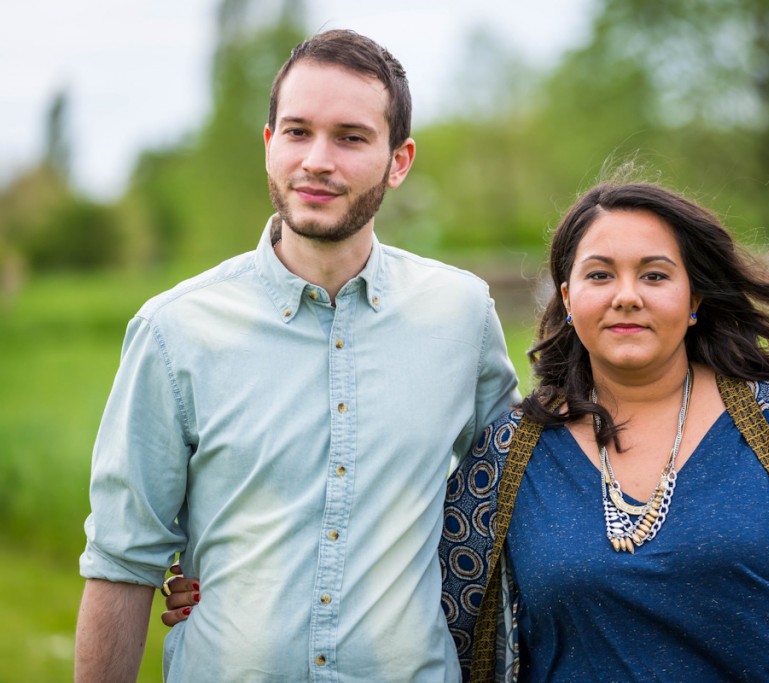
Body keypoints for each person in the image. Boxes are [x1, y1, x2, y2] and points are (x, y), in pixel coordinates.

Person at [165, 179, 769, 681]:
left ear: (693, 299)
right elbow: (410, 578)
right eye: (600, 274)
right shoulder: (509, 454)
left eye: (655, 275)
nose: (627, 296)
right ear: (568, 296)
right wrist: (241, 585)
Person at [74, 29, 518, 683]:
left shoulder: (461, 316)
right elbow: (122, 559)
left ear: (400, 160)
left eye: (351, 137)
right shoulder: (176, 330)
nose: (317, 159)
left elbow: (521, 494)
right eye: (297, 131)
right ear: (268, 144)